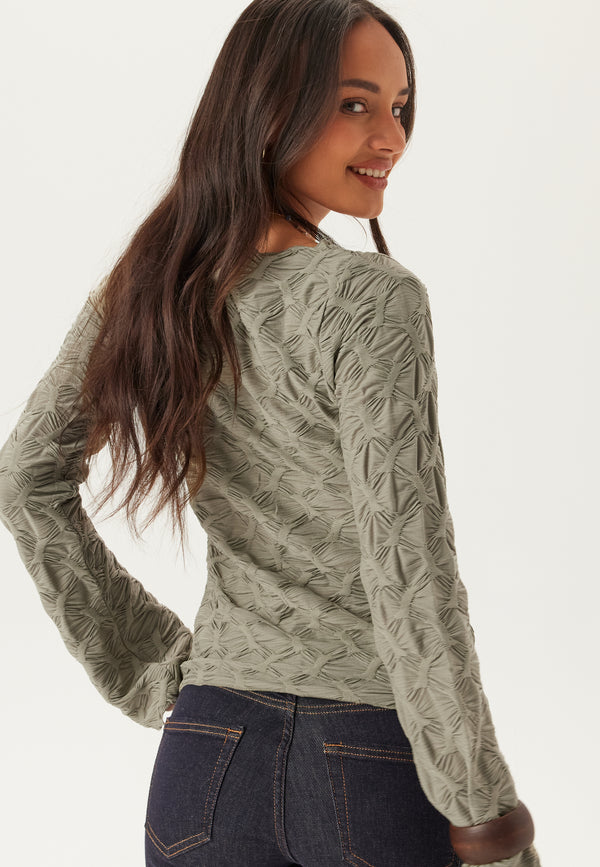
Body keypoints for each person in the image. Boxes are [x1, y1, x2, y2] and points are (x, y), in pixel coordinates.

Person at [0, 1, 541, 865]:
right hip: (369, 762)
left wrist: (146, 664)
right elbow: (410, 573)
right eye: (355, 103)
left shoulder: (147, 289)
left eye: (400, 107)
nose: (392, 138)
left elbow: (24, 474)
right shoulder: (371, 300)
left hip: (204, 755)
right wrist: (487, 819)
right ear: (268, 106)